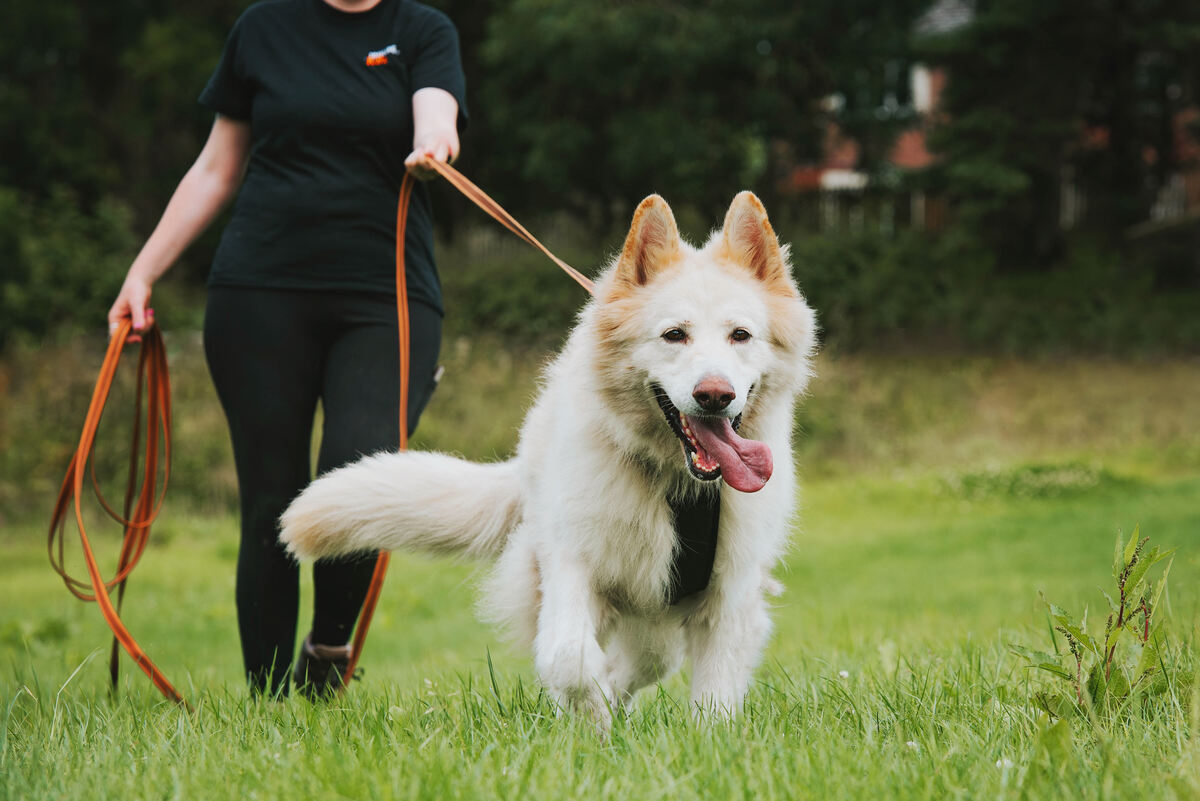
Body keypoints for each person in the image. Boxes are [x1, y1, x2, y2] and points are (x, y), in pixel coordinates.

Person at [107, 0, 468, 698]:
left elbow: (437, 115)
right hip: (260, 292)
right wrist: (142, 270)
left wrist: (434, 148)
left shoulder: (422, 30)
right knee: (270, 497)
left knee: (358, 476)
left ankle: (329, 645)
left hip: (385, 296)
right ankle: (267, 703)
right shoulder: (262, 28)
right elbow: (216, 168)